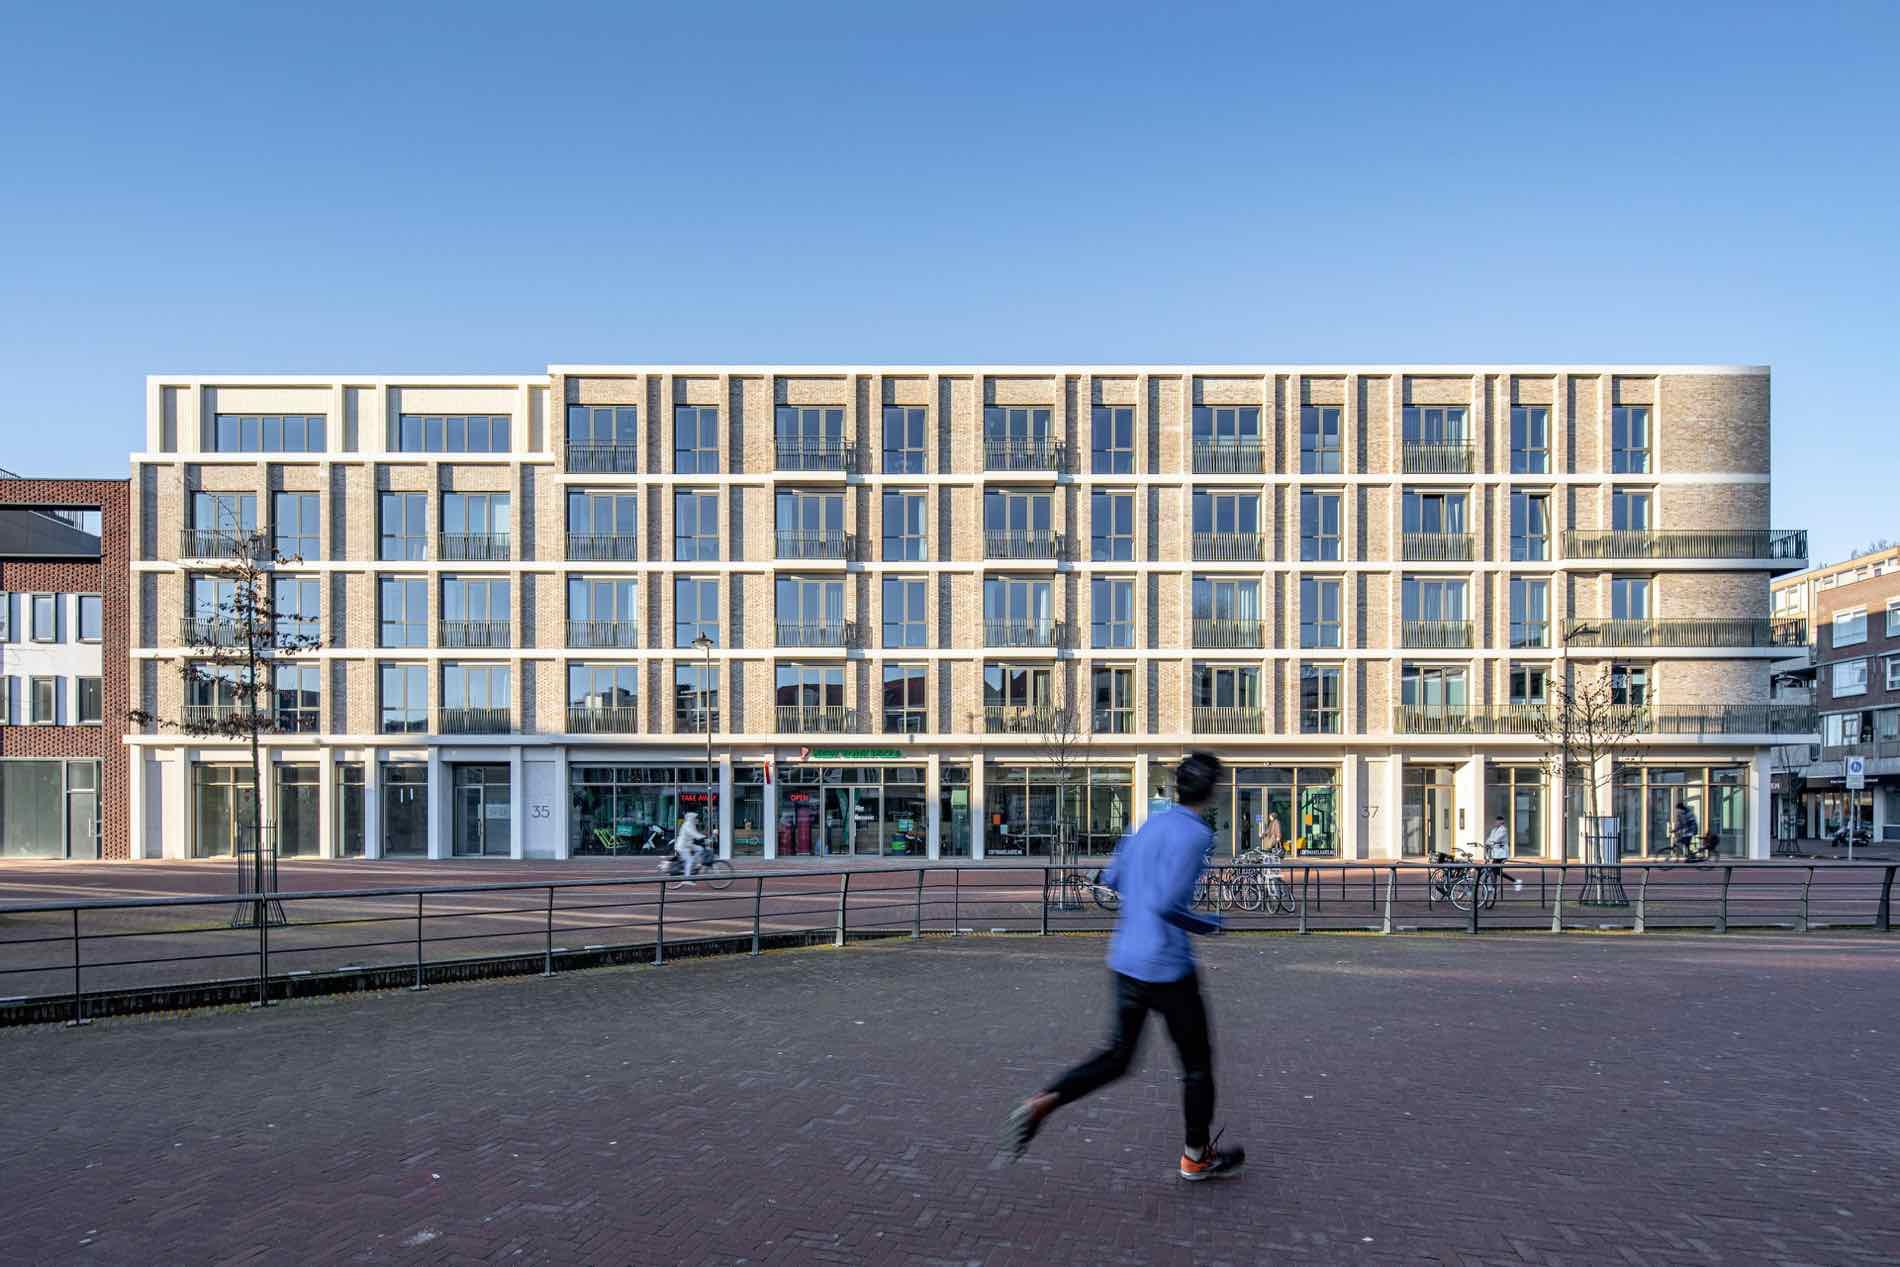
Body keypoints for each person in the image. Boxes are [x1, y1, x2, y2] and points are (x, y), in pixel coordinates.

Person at [1002, 752, 1245, 1182]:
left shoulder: (1146, 824)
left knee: (1117, 1057)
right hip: (1167, 967)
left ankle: (1047, 1099)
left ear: (1176, 787)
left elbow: (1109, 881)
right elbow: (1169, 903)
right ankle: (1195, 1156)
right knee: (1196, 1066)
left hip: (1126, 959)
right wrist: (1209, 924)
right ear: (1211, 792)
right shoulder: (1196, 835)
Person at [1483, 815, 1524, 893]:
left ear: (1502, 822)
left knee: (1494, 869)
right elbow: (1489, 839)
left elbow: (1496, 839)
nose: (1497, 822)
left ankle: (1494, 887)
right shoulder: (1494, 830)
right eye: (1496, 821)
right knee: (1496, 870)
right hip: (1496, 853)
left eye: (1499, 821)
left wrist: (1489, 842)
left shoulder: (1503, 830)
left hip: (1502, 853)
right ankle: (1515, 881)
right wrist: (1488, 842)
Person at [671, 811, 707, 885]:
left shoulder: (692, 825)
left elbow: (696, 833)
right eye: (696, 818)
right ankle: (686, 879)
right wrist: (702, 837)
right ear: (692, 819)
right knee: (689, 860)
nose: (697, 820)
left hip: (688, 845)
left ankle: (694, 862)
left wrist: (704, 837)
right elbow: (693, 833)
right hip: (682, 846)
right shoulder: (687, 825)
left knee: (700, 849)